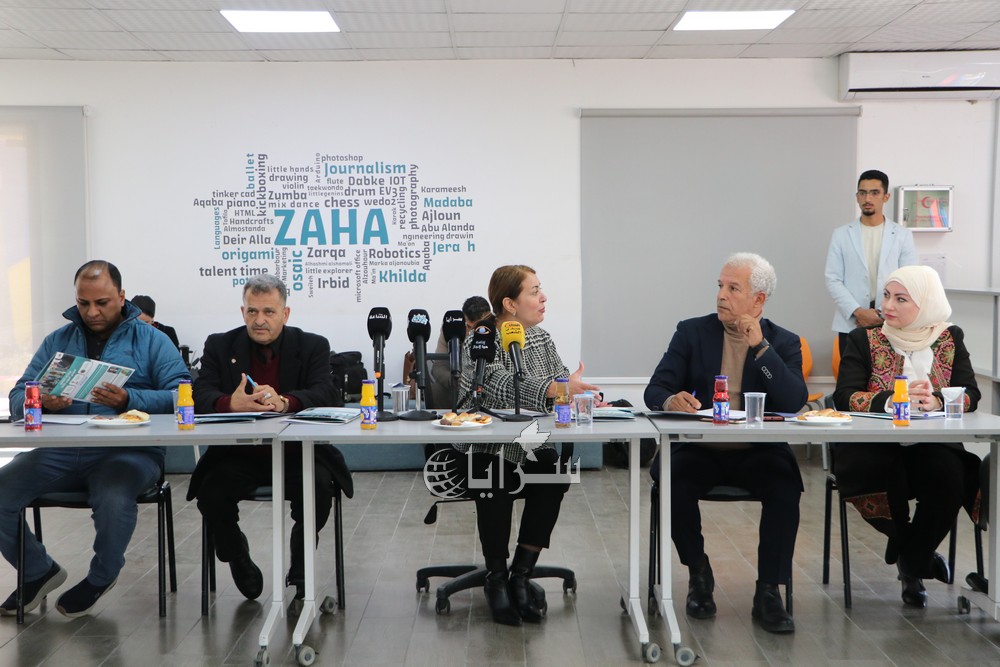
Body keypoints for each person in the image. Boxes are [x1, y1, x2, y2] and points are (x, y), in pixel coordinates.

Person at [0, 260, 188, 618]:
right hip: (61, 450)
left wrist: (129, 399)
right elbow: (17, 397)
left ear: (121, 296)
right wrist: (41, 401)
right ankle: (37, 571)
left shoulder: (152, 340)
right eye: (83, 303)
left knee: (113, 495)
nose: (92, 312)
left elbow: (183, 394)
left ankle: (101, 577)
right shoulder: (57, 340)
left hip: (130, 452)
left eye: (101, 303)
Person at [644, 252, 807, 634]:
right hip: (700, 449)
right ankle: (699, 573)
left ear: (758, 299)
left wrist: (761, 348)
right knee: (671, 482)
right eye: (720, 286)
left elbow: (792, 401)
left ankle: (769, 591)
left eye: (733, 288)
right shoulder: (691, 332)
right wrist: (671, 400)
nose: (721, 295)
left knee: (786, 487)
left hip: (758, 452)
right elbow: (656, 388)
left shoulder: (783, 342)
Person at [188, 274, 353, 601]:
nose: (259, 320)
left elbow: (327, 393)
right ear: (243, 311)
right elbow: (198, 394)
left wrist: (286, 402)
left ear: (285, 314)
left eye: (268, 312)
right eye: (252, 311)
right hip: (237, 455)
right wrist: (229, 403)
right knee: (211, 493)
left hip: (297, 454)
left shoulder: (312, 345)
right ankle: (236, 555)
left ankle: (300, 569)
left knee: (319, 489)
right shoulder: (220, 345)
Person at [455, 265, 599, 626]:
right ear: (510, 303)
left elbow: (561, 386)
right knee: (494, 477)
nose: (543, 297)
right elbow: (495, 385)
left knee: (553, 473)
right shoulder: (482, 337)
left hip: (531, 438)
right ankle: (496, 577)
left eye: (540, 289)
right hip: (483, 445)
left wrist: (579, 394)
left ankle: (521, 573)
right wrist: (555, 388)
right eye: (534, 292)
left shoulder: (541, 338)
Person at [832, 265, 980, 608]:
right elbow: (844, 396)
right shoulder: (863, 339)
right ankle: (913, 556)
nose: (888, 305)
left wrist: (937, 400)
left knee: (950, 476)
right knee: (886, 475)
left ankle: (912, 558)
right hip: (873, 445)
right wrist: (892, 400)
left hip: (931, 443)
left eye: (901, 299)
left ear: (925, 303)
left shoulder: (949, 337)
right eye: (886, 296)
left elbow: (971, 393)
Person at [826, 169, 917, 354]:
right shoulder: (841, 235)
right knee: (852, 371)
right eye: (863, 192)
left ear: (886, 197)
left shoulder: (902, 235)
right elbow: (833, 279)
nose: (868, 198)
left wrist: (881, 314)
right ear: (857, 197)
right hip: (852, 322)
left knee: (890, 371)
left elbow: (909, 280)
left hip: (891, 322)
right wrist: (859, 312)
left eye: (875, 193)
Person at [402, 295, 491, 409]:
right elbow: (438, 367)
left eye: (477, 328)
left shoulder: (497, 330)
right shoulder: (450, 329)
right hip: (457, 384)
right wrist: (456, 380)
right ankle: (446, 418)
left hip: (488, 385)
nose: (472, 332)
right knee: (436, 389)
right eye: (468, 326)